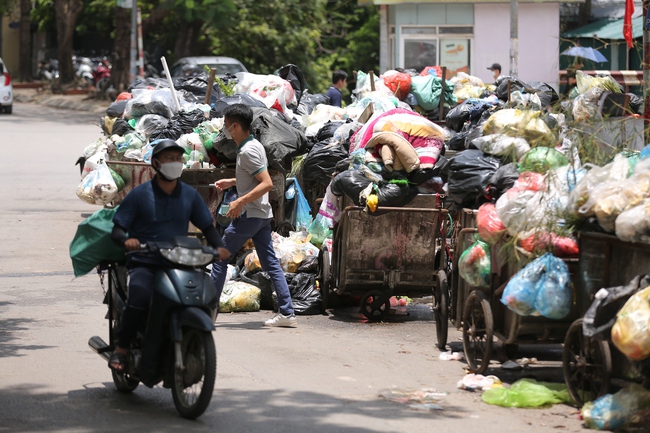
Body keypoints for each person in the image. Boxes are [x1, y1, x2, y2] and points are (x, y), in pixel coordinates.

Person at [108, 139, 230, 372]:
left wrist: (220, 248)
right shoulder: (139, 194)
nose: (175, 163)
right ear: (156, 163)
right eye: (169, 159)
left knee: (198, 295)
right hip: (145, 261)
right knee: (140, 298)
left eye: (178, 158)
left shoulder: (189, 195)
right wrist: (127, 241)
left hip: (179, 261)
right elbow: (117, 230)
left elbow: (207, 228)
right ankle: (122, 349)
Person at [211, 104, 297, 327]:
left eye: (225, 124)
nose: (225, 129)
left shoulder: (248, 150)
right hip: (260, 216)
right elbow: (256, 176)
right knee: (270, 264)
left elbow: (266, 183)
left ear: (235, 125)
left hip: (249, 216)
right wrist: (232, 182)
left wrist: (239, 201)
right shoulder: (252, 145)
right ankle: (287, 313)